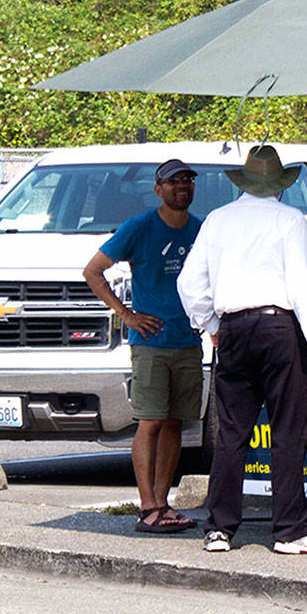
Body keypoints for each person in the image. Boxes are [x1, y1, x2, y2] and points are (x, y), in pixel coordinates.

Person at [177, 145, 307, 555]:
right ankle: (289, 529)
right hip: (278, 327)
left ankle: (219, 528)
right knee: (289, 429)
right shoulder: (289, 220)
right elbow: (302, 286)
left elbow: (188, 283)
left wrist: (211, 325)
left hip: (232, 326)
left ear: (246, 183)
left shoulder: (217, 220)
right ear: (279, 186)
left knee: (232, 431)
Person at [83, 159, 204, 535]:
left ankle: (163, 503)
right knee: (150, 420)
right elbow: (92, 271)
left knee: (174, 423)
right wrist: (125, 314)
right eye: (173, 182)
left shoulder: (201, 230)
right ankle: (147, 505)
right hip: (150, 341)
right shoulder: (139, 228)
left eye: (187, 181)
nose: (181, 187)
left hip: (188, 340)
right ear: (158, 190)